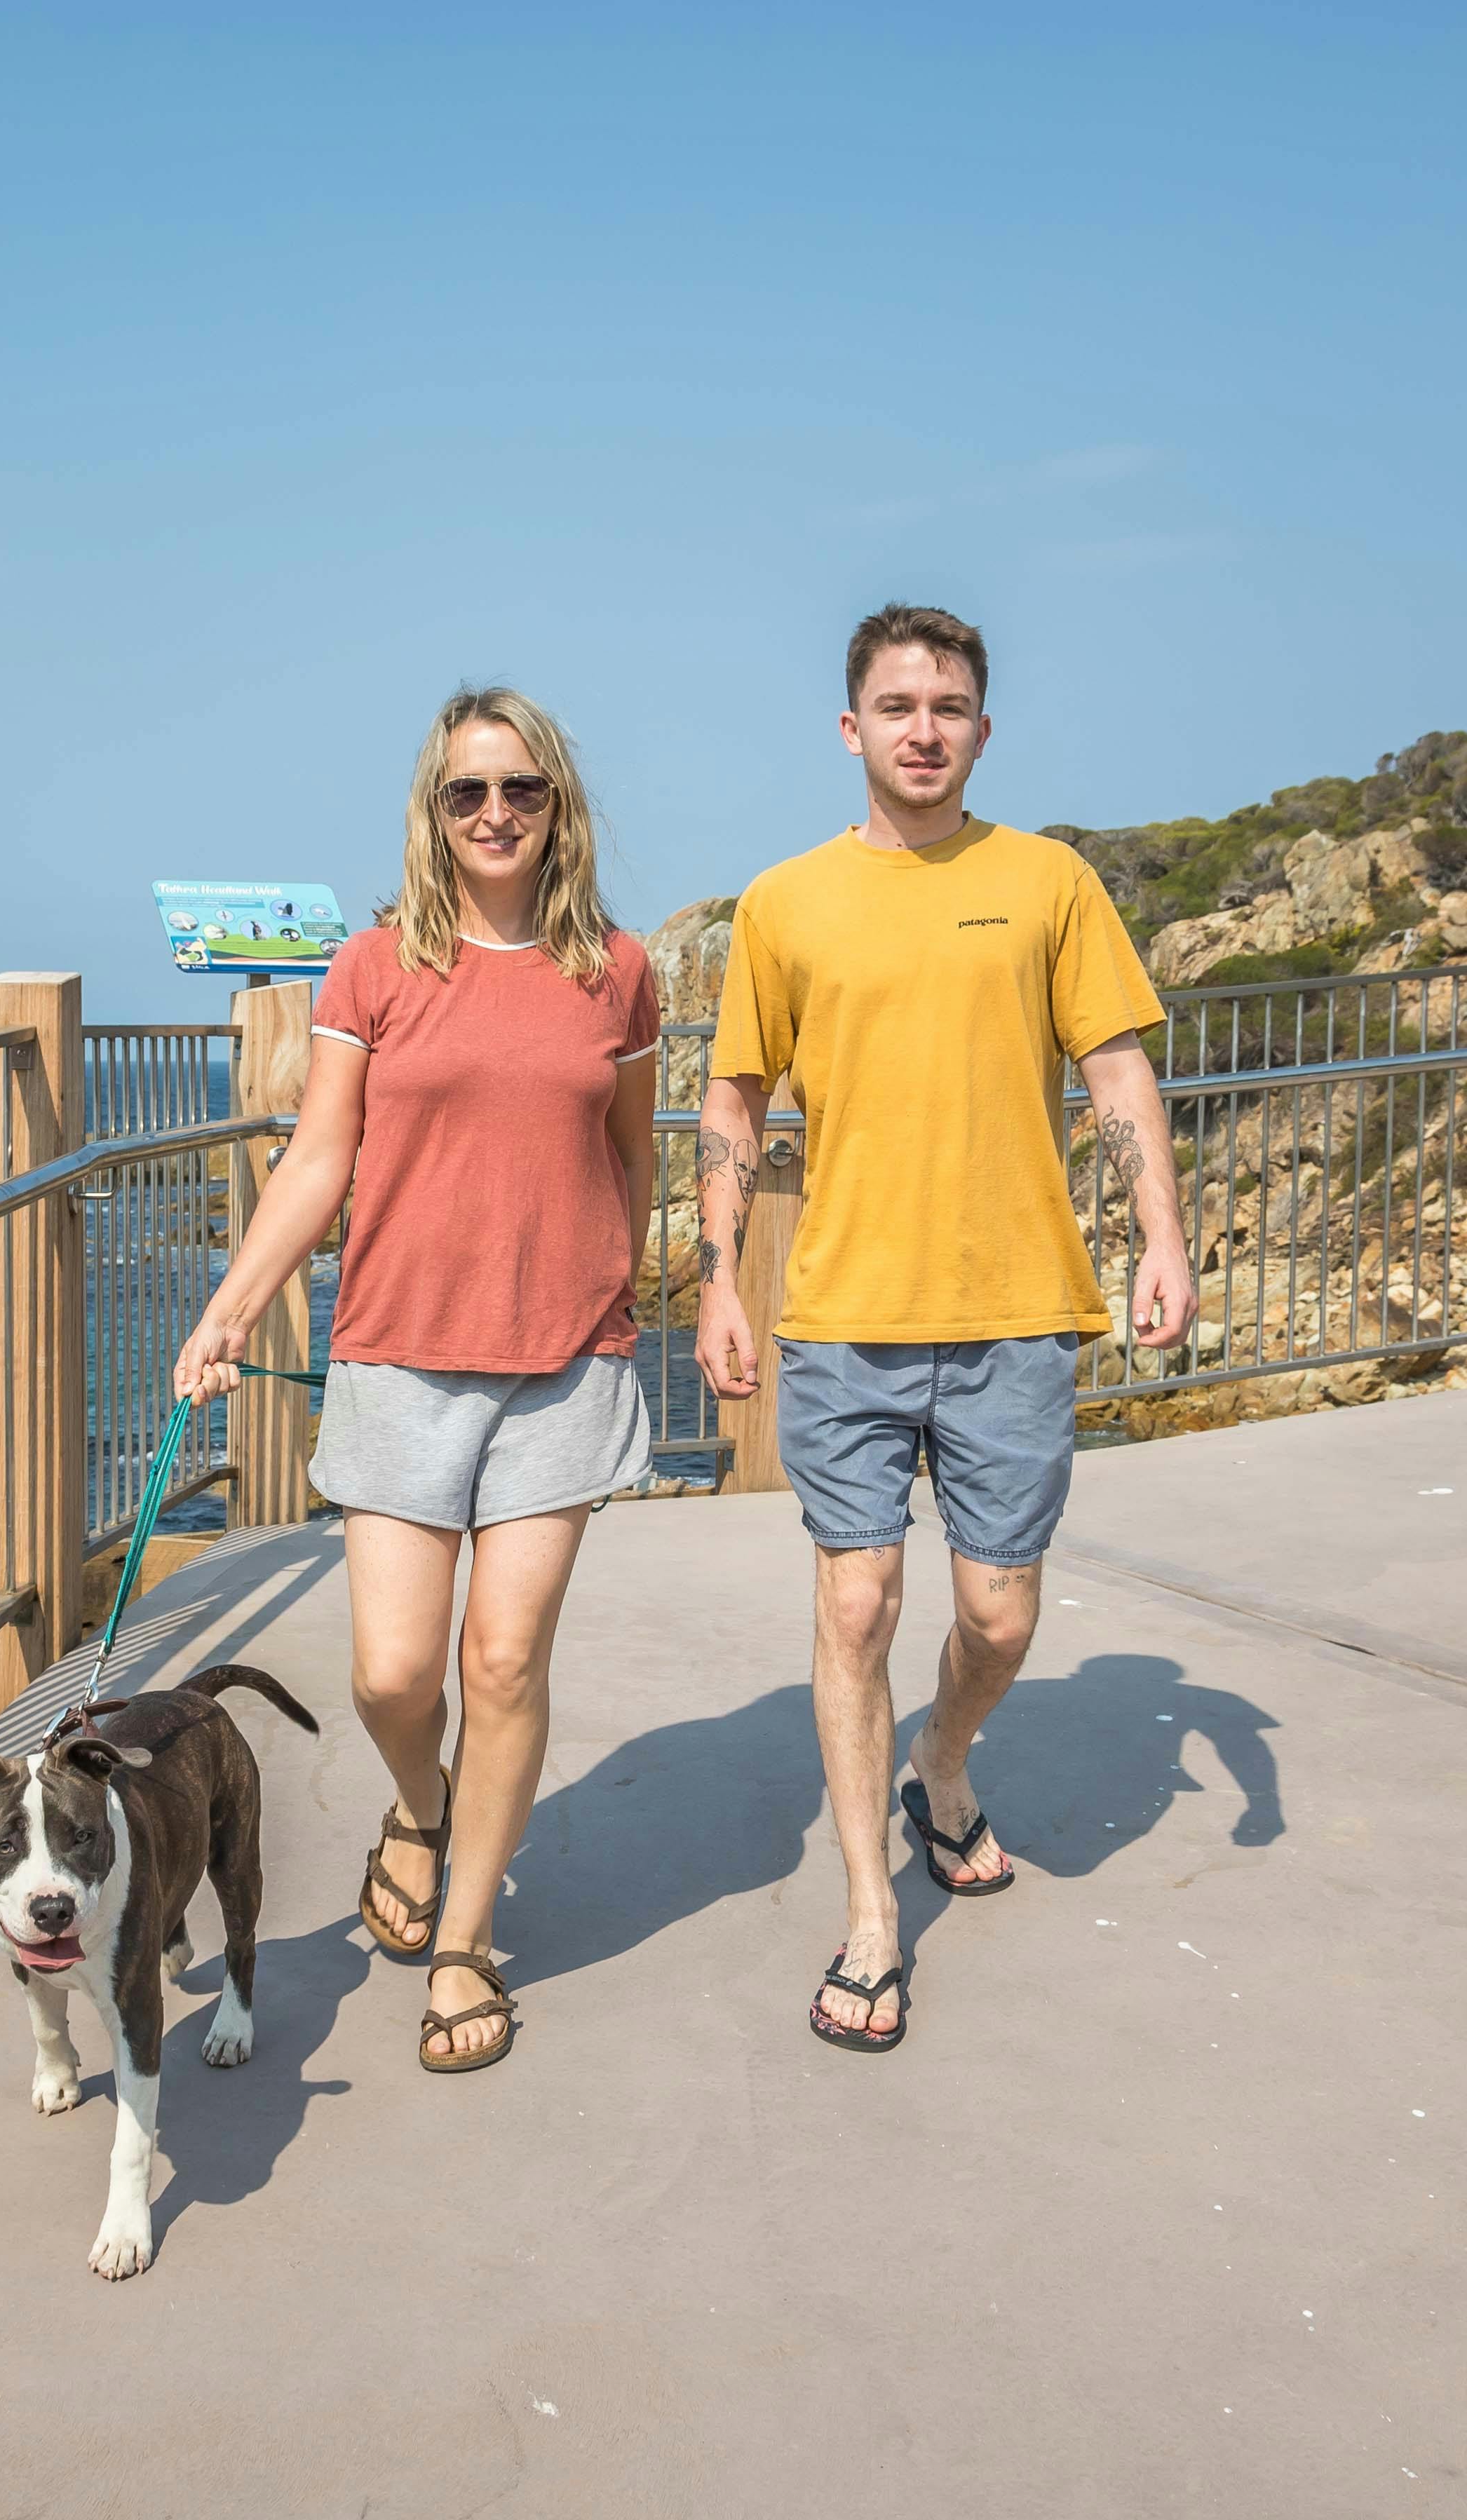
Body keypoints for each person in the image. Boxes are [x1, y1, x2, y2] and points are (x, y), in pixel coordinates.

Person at [690, 604, 1191, 2052]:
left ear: (982, 728)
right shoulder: (783, 903)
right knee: (856, 1604)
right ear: (850, 728)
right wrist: (721, 1277)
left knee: (997, 1614)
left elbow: (1115, 1071)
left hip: (1015, 1311)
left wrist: (1160, 1236)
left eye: (950, 705)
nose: (924, 727)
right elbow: (734, 1101)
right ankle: (867, 1914)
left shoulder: (1048, 884)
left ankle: (944, 1762)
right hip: (841, 1314)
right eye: (897, 704)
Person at [173, 687, 662, 2073]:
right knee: (396, 1675)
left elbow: (631, 1150)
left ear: (557, 805)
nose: (495, 813)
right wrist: (232, 1307)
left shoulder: (618, 971)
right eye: (468, 792)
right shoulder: (374, 967)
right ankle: (422, 1802)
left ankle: (463, 1942)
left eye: (521, 789)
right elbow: (319, 1157)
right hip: (393, 1353)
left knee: (503, 1659)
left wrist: (621, 1282)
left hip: (565, 1362)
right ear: (432, 811)